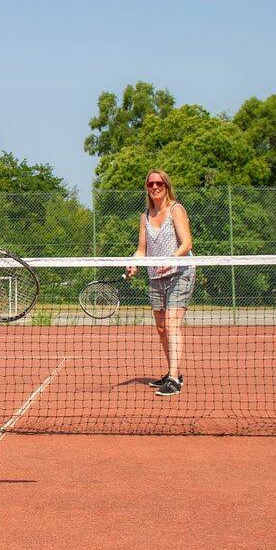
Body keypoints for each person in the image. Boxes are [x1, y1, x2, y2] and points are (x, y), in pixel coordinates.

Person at [125, 169, 194, 397]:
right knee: (162, 328)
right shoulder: (144, 216)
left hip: (180, 272)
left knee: (172, 323)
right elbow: (141, 250)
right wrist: (134, 262)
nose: (155, 187)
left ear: (166, 186)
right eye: (151, 184)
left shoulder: (176, 209)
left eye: (159, 183)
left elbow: (186, 243)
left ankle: (174, 379)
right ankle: (173, 372)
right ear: (147, 187)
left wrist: (171, 261)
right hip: (156, 276)